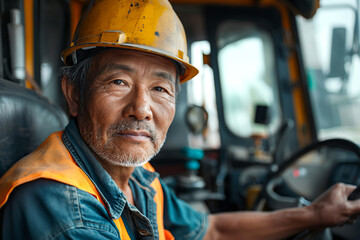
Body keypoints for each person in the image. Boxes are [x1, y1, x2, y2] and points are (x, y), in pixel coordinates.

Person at [1, 0, 360, 239]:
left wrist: (314, 214)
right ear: (74, 95)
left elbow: (214, 230)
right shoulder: (62, 210)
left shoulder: (138, 180)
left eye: (161, 89)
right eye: (119, 82)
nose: (141, 108)